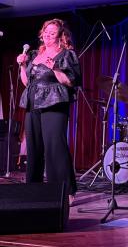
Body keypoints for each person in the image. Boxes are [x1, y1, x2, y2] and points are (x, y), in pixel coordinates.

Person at [16, 18, 81, 204]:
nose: (48, 35)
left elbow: (70, 82)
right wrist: (22, 65)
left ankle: (64, 191)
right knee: (34, 147)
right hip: (33, 102)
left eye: (52, 32)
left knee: (55, 146)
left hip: (55, 102)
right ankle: (33, 189)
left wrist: (56, 68)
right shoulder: (35, 54)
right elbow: (27, 82)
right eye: (46, 32)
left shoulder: (66, 54)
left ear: (60, 35)